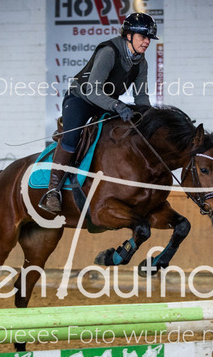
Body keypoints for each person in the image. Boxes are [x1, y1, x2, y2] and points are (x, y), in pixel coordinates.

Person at [39, 12, 159, 213]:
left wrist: (151, 120)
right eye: (143, 36)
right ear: (128, 35)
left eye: (149, 38)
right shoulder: (109, 52)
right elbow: (92, 91)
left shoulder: (141, 63)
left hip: (106, 103)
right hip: (81, 98)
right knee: (72, 137)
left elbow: (141, 97)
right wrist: (117, 106)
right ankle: (52, 191)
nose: (147, 42)